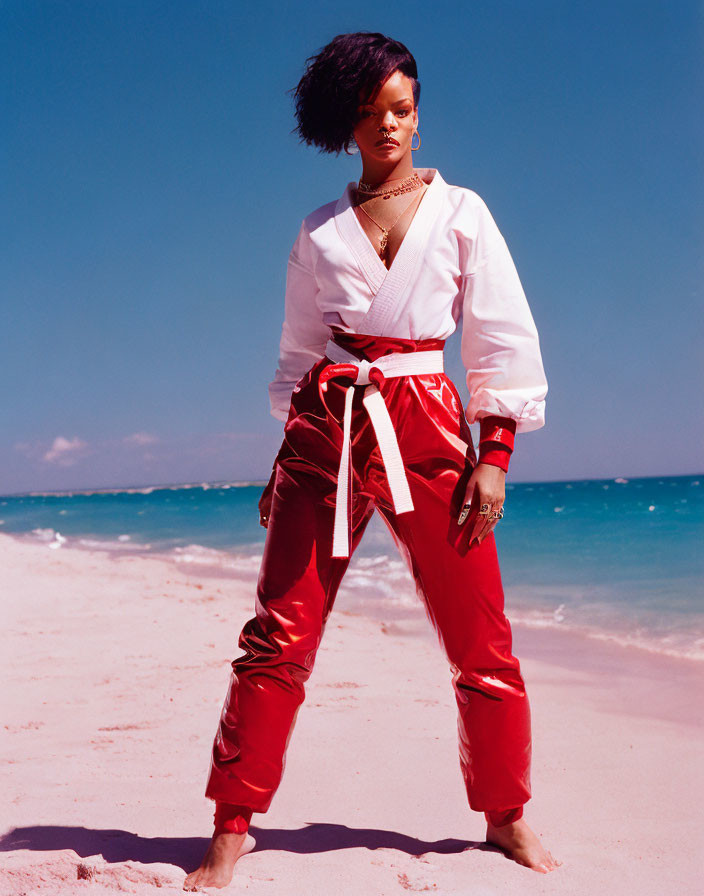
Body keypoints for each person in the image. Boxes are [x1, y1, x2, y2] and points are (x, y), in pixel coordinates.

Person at [184, 30, 561, 891]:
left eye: (402, 109)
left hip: (428, 425)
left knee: (482, 640)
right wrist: (285, 461)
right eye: (370, 113)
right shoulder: (318, 231)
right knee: (276, 636)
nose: (388, 126)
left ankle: (506, 815)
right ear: (347, 126)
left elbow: (502, 338)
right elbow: (295, 353)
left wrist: (492, 455)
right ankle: (232, 823)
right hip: (327, 423)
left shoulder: (464, 213)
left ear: (419, 117)